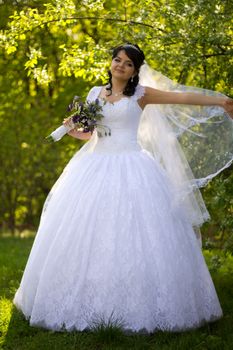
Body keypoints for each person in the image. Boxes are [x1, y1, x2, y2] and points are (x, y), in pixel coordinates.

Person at [13, 43, 233, 334]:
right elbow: (92, 134)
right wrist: (72, 129)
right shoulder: (94, 93)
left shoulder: (142, 95)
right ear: (111, 63)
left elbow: (181, 96)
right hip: (95, 166)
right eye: (117, 60)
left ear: (134, 71)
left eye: (128, 63)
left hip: (134, 166)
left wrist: (220, 101)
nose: (120, 66)